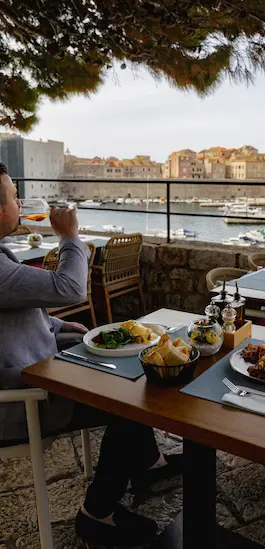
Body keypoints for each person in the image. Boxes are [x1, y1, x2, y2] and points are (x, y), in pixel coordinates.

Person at [0, 164, 180, 545]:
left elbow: (13, 317)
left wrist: (59, 328)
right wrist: (69, 236)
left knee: (126, 369)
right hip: (21, 400)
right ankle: (97, 513)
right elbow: (70, 289)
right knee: (131, 400)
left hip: (33, 368)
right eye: (14, 197)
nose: (20, 203)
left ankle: (150, 463)